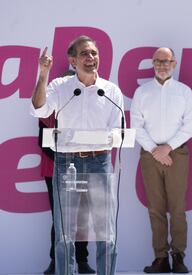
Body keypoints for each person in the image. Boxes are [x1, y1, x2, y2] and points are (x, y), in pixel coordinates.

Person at [30, 35, 124, 275]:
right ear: (72, 60)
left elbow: (119, 132)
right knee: (65, 234)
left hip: (100, 162)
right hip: (67, 162)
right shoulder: (59, 87)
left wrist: (109, 137)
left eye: (93, 53)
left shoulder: (111, 91)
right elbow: (38, 109)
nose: (91, 58)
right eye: (84, 54)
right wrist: (43, 74)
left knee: (106, 233)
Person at [130, 47, 192, 273]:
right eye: (158, 61)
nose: (162, 65)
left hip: (177, 153)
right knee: (155, 208)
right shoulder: (142, 92)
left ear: (174, 64)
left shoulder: (184, 92)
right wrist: (155, 150)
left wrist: (167, 148)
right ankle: (160, 258)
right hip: (150, 155)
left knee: (178, 208)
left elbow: (190, 126)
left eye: (166, 61)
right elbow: (136, 126)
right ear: (152, 63)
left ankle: (178, 256)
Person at [38, 69, 95, 275]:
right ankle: (57, 262)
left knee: (81, 218)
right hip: (54, 169)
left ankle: (82, 262)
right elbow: (43, 142)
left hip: (84, 168)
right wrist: (66, 161)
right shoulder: (49, 107)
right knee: (60, 219)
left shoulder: (89, 108)